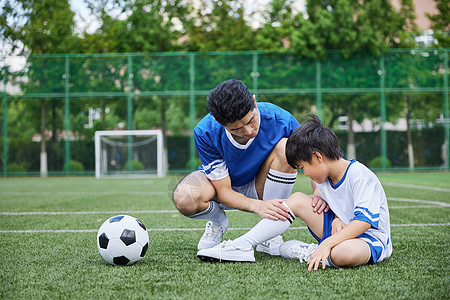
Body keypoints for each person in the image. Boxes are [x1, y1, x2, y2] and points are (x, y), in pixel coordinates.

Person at [197, 114, 392, 271]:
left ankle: (311, 251)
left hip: (368, 239)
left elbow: (364, 222)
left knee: (344, 254)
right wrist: (335, 217)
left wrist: (327, 243)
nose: (305, 174)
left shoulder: (360, 175)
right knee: (298, 199)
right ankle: (242, 245)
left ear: (317, 157)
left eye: (302, 167)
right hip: (339, 232)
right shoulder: (324, 178)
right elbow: (338, 204)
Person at [172, 80, 328, 254]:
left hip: (261, 184)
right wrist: (258, 206)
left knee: (287, 147)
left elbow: (315, 162)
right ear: (218, 121)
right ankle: (218, 222)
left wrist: (318, 194)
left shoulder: (282, 120)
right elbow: (224, 192)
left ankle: (269, 235)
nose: (248, 131)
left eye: (250, 120)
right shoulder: (205, 131)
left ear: (254, 102)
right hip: (222, 188)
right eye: (236, 129)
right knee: (185, 197)